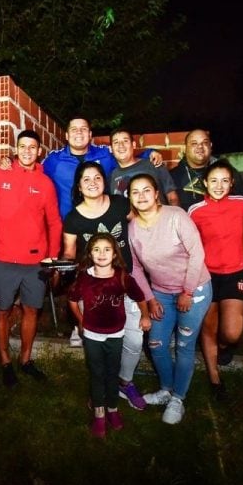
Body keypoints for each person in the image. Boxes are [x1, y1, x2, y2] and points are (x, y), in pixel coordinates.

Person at [62, 161, 149, 410]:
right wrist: (58, 268)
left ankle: (125, 381)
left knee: (133, 341)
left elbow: (142, 218)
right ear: (79, 186)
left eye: (97, 177)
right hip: (93, 290)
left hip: (124, 284)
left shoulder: (121, 204)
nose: (92, 183)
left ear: (104, 181)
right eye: (86, 179)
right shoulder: (73, 218)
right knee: (97, 347)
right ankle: (100, 391)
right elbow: (69, 253)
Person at [0, 130, 63, 387]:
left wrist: (52, 258)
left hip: (35, 263)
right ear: (16, 149)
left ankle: (25, 360)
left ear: (39, 151)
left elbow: (54, 222)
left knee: (31, 310)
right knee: (2, 311)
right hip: (3, 259)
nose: (27, 151)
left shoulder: (46, 184)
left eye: (32, 147)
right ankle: (5, 361)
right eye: (22, 146)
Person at [128, 173, 212, 425]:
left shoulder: (176, 216)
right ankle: (166, 389)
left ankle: (178, 398)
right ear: (130, 197)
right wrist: (150, 299)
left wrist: (187, 292)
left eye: (146, 191)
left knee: (185, 345)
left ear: (156, 194)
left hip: (194, 289)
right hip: (160, 292)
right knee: (156, 343)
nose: (141, 196)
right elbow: (134, 268)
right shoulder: (132, 228)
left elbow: (197, 254)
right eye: (135, 192)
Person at [67, 233, 149, 438]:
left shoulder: (122, 276)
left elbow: (140, 297)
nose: (101, 254)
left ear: (114, 254)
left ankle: (112, 408)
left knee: (112, 372)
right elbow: (72, 300)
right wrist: (81, 320)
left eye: (106, 250)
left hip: (116, 333)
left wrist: (145, 316)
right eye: (96, 249)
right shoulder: (84, 277)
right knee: (97, 373)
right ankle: (99, 411)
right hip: (93, 335)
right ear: (89, 253)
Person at [187, 159, 243, 401]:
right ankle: (215, 379)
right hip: (207, 275)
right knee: (209, 326)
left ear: (232, 183)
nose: (219, 185)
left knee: (232, 333)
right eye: (214, 180)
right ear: (204, 183)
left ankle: (224, 347)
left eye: (225, 180)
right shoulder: (195, 210)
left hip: (237, 272)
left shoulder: (242, 203)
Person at [42, 117, 163, 219]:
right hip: (69, 225)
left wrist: (150, 153)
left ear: (90, 135)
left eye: (83, 129)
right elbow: (35, 177)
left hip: (102, 221)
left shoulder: (104, 154)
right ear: (67, 135)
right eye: (74, 129)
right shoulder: (54, 160)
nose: (79, 132)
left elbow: (127, 159)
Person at [171, 129, 243, 211]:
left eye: (204, 143)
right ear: (185, 148)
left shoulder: (226, 171)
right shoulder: (173, 176)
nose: (200, 146)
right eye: (194, 143)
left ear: (210, 146)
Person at [109, 127, 179, 206]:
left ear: (133, 145)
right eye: (116, 142)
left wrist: (176, 216)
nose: (121, 145)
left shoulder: (154, 163)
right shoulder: (112, 176)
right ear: (111, 149)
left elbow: (172, 197)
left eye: (125, 141)